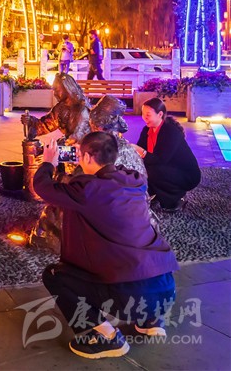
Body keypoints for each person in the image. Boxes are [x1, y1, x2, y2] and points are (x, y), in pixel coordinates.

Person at [36, 131, 179, 359]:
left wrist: (47, 163)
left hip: (128, 297)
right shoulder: (134, 182)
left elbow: (43, 187)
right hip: (165, 291)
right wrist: (90, 159)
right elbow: (107, 176)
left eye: (82, 155)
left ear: (87, 157)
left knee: (54, 276)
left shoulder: (87, 190)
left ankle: (106, 337)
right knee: (134, 259)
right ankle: (150, 320)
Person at [133, 98, 201, 212]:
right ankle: (154, 194)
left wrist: (142, 152)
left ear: (160, 114)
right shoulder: (147, 130)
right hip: (166, 168)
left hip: (186, 174)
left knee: (151, 171)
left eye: (148, 115)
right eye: (143, 114)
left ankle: (175, 198)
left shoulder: (170, 131)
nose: (144, 118)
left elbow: (161, 159)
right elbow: (140, 151)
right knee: (141, 169)